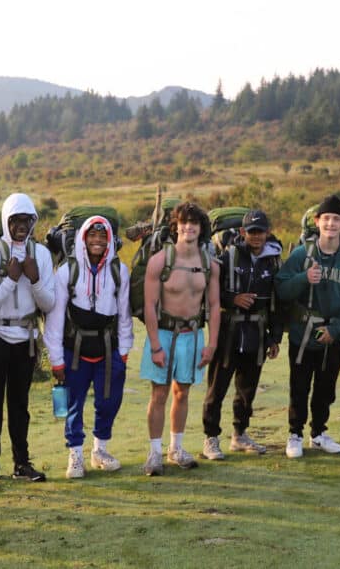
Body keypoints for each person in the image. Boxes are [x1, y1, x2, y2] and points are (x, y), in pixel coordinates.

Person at [0, 193, 57, 482]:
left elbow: (48, 304)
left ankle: (22, 463)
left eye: (27, 220)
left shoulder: (42, 255)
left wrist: (33, 280)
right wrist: (11, 280)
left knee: (20, 405)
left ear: (33, 221)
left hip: (26, 338)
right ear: (7, 222)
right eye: (16, 220)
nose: (22, 225)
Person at [43, 216, 132, 478]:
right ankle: (76, 456)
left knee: (109, 401)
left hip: (108, 348)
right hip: (75, 350)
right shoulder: (67, 271)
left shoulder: (119, 271)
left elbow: (124, 315)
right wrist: (56, 359)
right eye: (92, 236)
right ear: (83, 238)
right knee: (74, 403)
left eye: (102, 237)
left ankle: (100, 450)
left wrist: (124, 352)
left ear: (109, 241)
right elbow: (55, 319)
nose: (97, 241)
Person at [276, 195, 340, 458]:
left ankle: (318, 433)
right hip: (303, 332)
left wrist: (336, 329)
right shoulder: (303, 253)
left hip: (333, 333)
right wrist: (304, 278)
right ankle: (295, 434)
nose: (330, 224)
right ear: (317, 222)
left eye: (336, 219)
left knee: (326, 386)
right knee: (299, 385)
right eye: (326, 218)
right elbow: (281, 289)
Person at [139, 201, 220, 476]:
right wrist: (155, 346)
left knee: (182, 392)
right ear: (176, 227)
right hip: (163, 332)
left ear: (201, 228)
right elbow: (149, 305)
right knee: (159, 393)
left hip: (193, 335)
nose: (189, 228)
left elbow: (215, 305)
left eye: (194, 223)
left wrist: (211, 344)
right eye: (184, 223)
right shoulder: (160, 260)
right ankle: (154, 453)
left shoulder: (209, 264)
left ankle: (177, 448)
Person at [200, 209, 282, 460]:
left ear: (267, 233)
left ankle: (239, 435)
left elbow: (277, 303)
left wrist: (275, 338)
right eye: (252, 231)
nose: (256, 236)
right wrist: (233, 298)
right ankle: (210, 438)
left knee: (248, 388)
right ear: (243, 232)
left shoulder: (274, 260)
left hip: (257, 331)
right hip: (229, 329)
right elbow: (210, 293)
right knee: (217, 385)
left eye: (261, 231)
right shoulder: (228, 257)